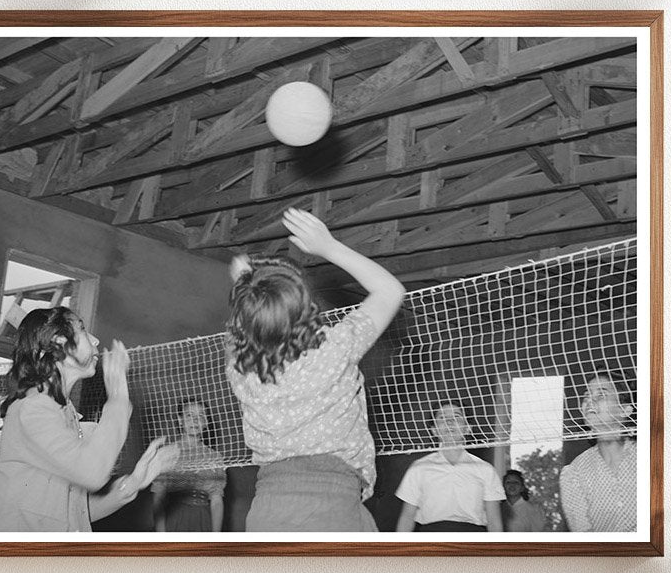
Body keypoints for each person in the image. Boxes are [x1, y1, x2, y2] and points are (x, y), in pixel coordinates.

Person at [225, 207, 405, 532]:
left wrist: (246, 282)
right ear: (307, 308)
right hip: (332, 501)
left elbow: (248, 321)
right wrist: (328, 247)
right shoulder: (334, 349)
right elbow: (390, 290)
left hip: (267, 506)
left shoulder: (240, 370)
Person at [0, 306, 175, 533]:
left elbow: (76, 515)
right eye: (82, 329)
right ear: (59, 342)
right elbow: (92, 472)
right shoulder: (33, 409)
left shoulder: (67, 416)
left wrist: (132, 484)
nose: (94, 340)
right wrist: (119, 398)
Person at [395, 403, 505, 532]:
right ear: (434, 430)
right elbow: (407, 517)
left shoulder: (486, 469)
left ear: (468, 428)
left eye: (457, 417)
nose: (449, 421)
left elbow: (494, 521)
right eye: (442, 418)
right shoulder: (419, 468)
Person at [559, 369, 637, 532]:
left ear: (625, 410)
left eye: (601, 395)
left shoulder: (651, 458)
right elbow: (584, 536)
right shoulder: (574, 473)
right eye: (587, 396)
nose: (590, 401)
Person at [151, 400, 227, 532]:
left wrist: (216, 536)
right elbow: (158, 497)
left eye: (201, 416)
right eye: (189, 415)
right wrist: (160, 535)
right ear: (180, 420)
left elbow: (216, 501)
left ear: (206, 423)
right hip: (173, 519)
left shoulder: (214, 457)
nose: (196, 421)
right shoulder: (167, 453)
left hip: (202, 520)